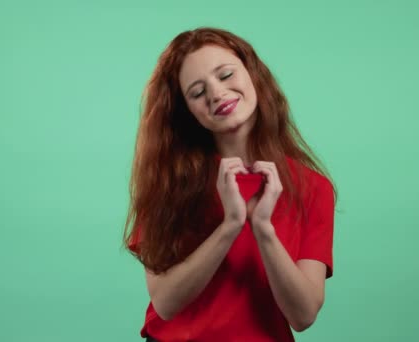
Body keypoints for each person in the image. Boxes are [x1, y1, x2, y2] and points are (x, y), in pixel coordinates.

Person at [123, 27, 338, 342]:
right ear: (188, 112)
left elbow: (303, 315)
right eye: (197, 92)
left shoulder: (312, 187)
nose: (216, 93)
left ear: (252, 74)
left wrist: (263, 229)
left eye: (225, 75)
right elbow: (165, 303)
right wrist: (231, 225)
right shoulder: (169, 182)